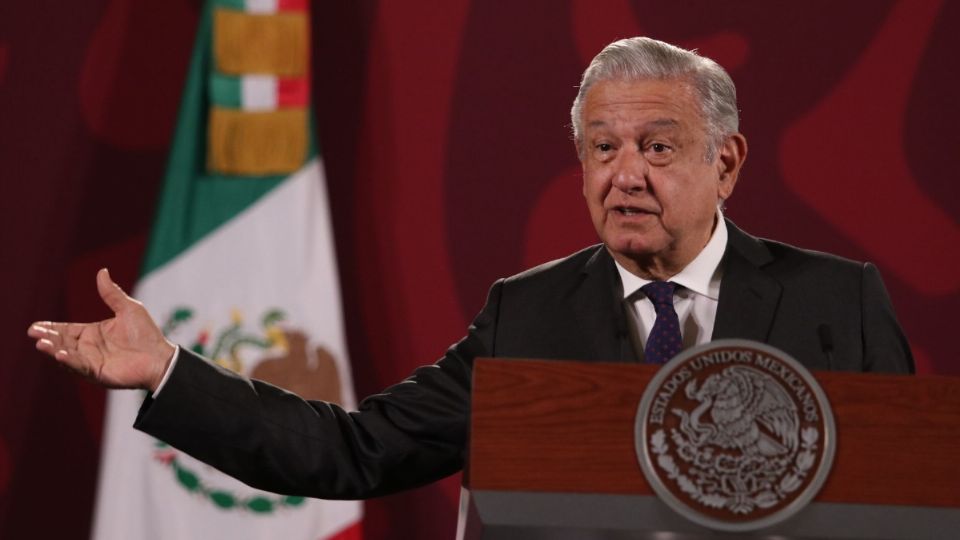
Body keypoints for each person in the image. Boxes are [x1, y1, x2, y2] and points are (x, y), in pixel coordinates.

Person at [28, 37, 913, 500]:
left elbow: (909, 503)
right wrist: (171, 373)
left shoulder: (839, 303)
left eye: (657, 145)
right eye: (601, 147)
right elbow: (356, 453)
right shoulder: (525, 317)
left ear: (726, 163)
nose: (624, 173)